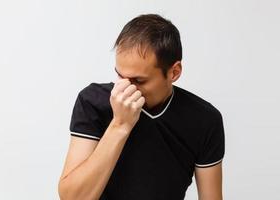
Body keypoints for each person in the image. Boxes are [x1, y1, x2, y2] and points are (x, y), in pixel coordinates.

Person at [58, 14, 225, 200]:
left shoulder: (204, 119)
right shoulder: (93, 102)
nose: (125, 88)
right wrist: (120, 125)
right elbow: (72, 198)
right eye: (120, 76)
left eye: (138, 81)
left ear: (174, 72)